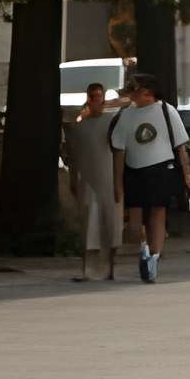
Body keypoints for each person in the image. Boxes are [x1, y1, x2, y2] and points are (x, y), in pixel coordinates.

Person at [111, 69, 190, 283]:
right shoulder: (125, 115)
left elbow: (181, 147)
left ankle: (154, 258)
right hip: (135, 170)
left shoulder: (167, 111)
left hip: (161, 169)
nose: (131, 95)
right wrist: (117, 182)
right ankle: (144, 249)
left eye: (135, 90)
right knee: (134, 223)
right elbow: (119, 151)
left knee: (158, 214)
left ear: (148, 93)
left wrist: (187, 176)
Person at [63, 79, 122, 281]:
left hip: (107, 177)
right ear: (88, 99)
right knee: (89, 222)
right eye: (93, 97)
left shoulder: (111, 123)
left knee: (110, 223)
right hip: (87, 178)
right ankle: (89, 269)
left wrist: (118, 182)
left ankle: (109, 268)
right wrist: (73, 178)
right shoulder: (79, 126)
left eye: (99, 97)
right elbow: (73, 155)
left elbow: (118, 152)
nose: (96, 101)